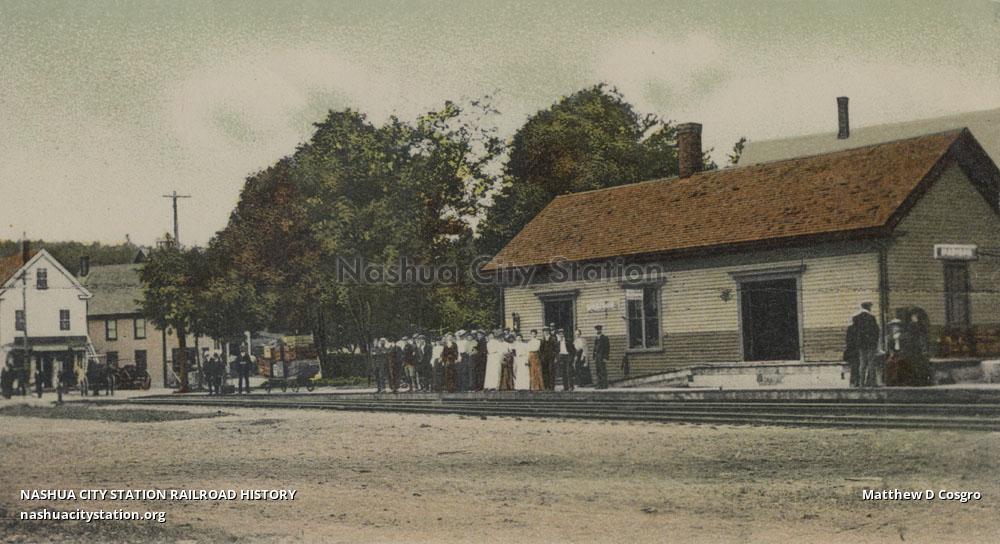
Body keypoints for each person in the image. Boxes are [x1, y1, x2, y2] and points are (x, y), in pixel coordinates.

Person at [853, 302, 881, 387]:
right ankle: (872, 383)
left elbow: (854, 332)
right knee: (871, 363)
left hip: (861, 345)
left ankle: (861, 383)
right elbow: (876, 331)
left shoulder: (856, 318)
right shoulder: (871, 318)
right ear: (869, 307)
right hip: (871, 344)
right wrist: (875, 343)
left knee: (862, 363)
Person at [843, 321, 861, 387]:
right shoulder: (859, 328)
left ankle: (853, 382)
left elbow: (847, 340)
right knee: (856, 367)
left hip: (852, 351)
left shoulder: (850, 328)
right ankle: (856, 382)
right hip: (856, 351)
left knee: (854, 368)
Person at [593, 325, 610, 389]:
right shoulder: (596, 339)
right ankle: (599, 384)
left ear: (601, 330)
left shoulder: (605, 338)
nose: (598, 331)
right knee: (598, 371)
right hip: (597, 357)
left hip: (602, 357)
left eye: (599, 330)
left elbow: (607, 348)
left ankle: (604, 385)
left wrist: (605, 357)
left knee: (603, 371)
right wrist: (594, 356)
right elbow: (595, 348)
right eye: (597, 330)